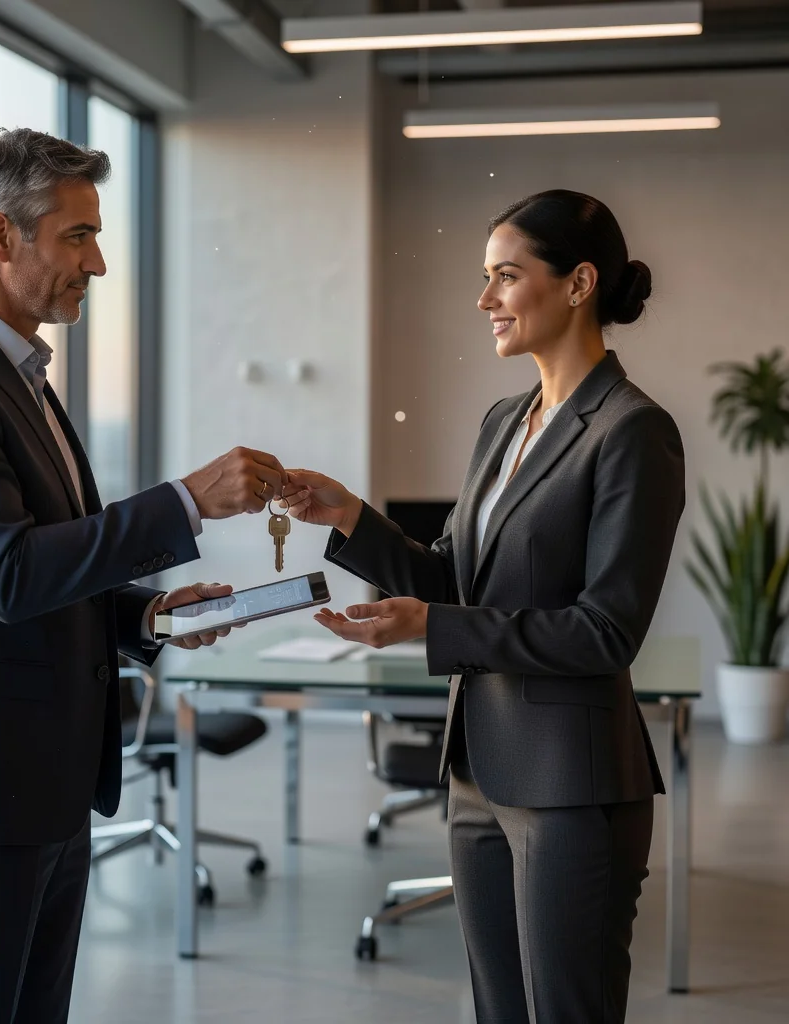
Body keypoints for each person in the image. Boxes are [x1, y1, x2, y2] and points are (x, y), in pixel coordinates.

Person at [0, 128, 287, 1024]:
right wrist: (186, 503)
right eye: (77, 236)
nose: (96, 263)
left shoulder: (20, 379)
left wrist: (146, 618)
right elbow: (6, 574)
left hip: (42, 779)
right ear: (0, 237)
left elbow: (47, 566)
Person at [286, 190, 685, 1023]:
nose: (485, 300)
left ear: (578, 285)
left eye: (506, 276)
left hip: (572, 785)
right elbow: (453, 577)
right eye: (484, 277)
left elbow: (605, 632)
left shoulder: (633, 431)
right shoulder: (505, 421)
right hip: (478, 771)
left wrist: (434, 628)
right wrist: (350, 517)